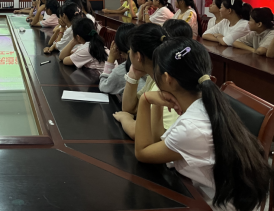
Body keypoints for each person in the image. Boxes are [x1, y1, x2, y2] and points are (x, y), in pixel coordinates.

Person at [135, 38, 270, 211]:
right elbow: (156, 142)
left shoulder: (191, 127)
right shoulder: (207, 104)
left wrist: (145, 100)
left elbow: (142, 153)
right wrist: (157, 104)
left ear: (167, 78)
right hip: (208, 196)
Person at [113, 23, 180, 140]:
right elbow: (130, 109)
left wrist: (125, 119)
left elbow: (144, 133)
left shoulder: (165, 84)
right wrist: (133, 76)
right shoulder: (153, 76)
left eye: (130, 50)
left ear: (138, 56)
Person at [99, 23, 146, 95]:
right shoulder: (150, 63)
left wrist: (110, 59)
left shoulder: (121, 71)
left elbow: (104, 87)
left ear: (119, 49)